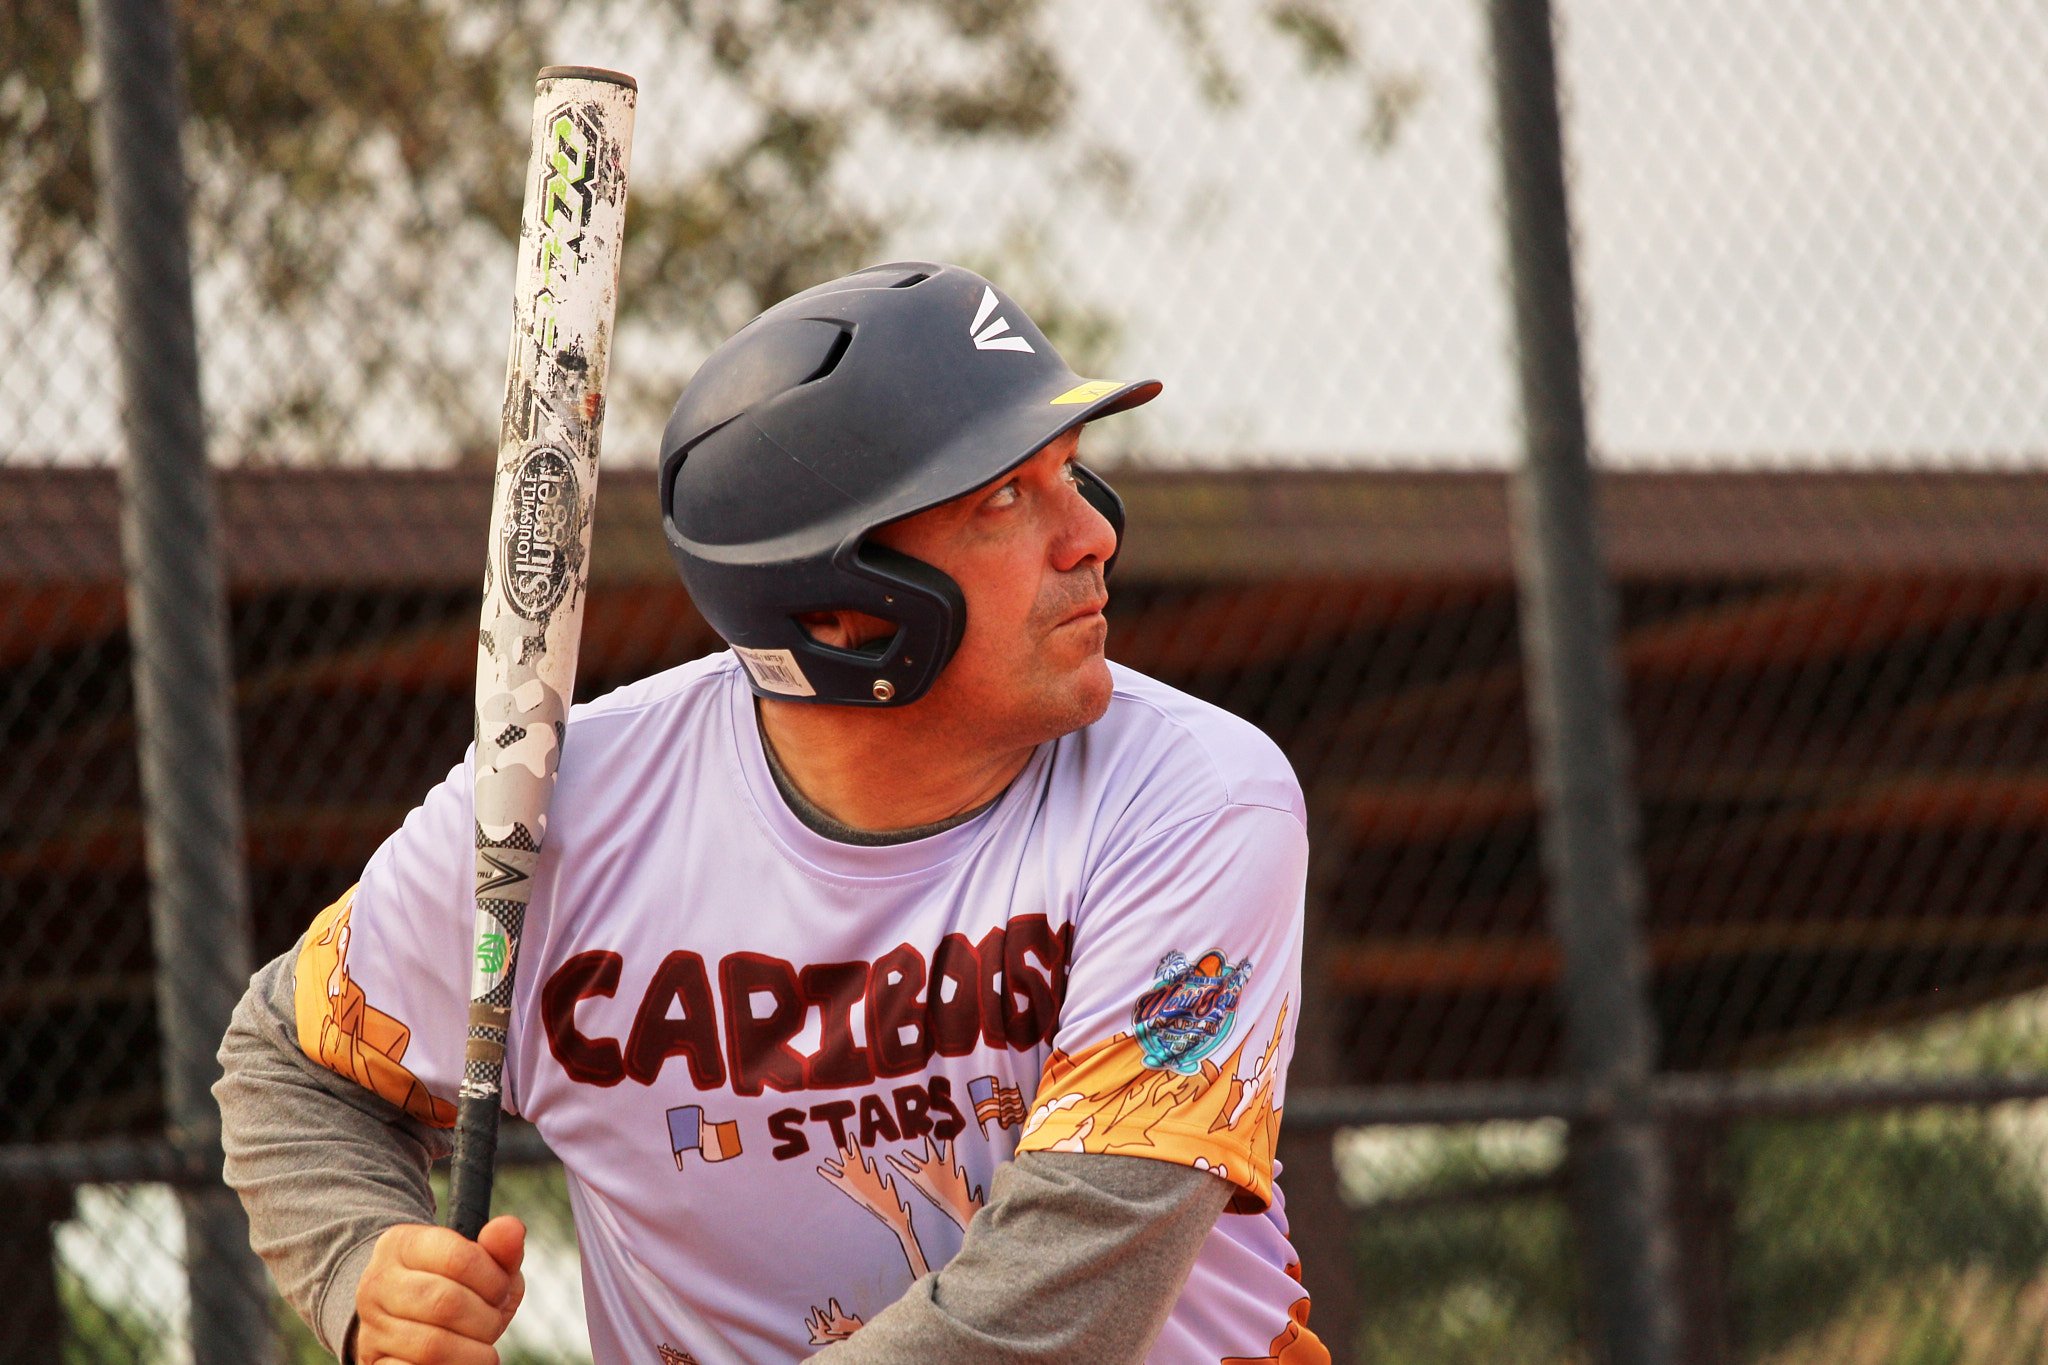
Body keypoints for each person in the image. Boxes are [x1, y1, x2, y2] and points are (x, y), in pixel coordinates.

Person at [217, 262, 1326, 1365]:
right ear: (847, 613)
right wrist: (367, 1269)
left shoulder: (1193, 799)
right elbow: (290, 1061)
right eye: (1003, 498)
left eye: (1071, 474)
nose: (1090, 536)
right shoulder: (557, 815)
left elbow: (1048, 1313)